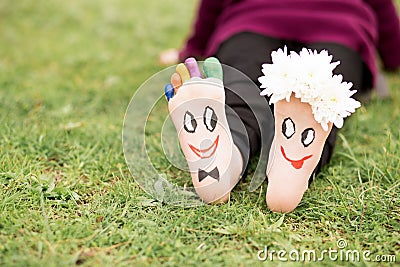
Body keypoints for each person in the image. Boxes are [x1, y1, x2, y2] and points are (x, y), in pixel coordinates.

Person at [160, 0, 400, 212]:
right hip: (340, 26)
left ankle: (228, 157)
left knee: (242, 97)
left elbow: (211, 7)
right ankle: (293, 162)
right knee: (321, 98)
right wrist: (394, 56)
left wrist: (192, 49)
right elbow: (382, 8)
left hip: (251, 20)